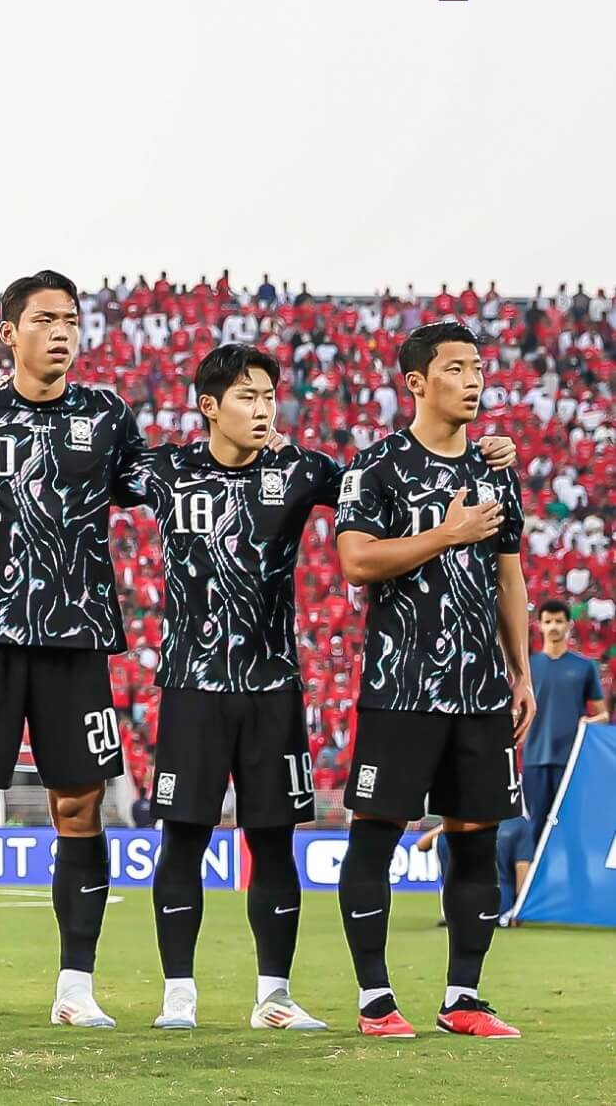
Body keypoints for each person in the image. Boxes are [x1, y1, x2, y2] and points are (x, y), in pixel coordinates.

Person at [122, 344, 515, 1033]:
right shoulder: (165, 468)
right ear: (208, 406)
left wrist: (475, 450)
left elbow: (383, 489)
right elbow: (81, 469)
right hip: (188, 682)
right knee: (183, 838)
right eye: (246, 395)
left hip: (274, 685)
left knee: (273, 840)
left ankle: (273, 996)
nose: (264, 407)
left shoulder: (302, 468)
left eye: (270, 395)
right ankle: (177, 996)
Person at [0, 269, 146, 1029]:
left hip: (76, 638)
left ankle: (75, 987)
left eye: (71, 320)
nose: (61, 331)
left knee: (79, 806)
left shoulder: (108, 414)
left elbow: (157, 481)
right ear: (7, 331)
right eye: (45, 318)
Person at [335, 321, 533, 1040]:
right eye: (456, 368)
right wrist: (442, 535)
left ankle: (464, 997)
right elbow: (355, 562)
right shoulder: (376, 466)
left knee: (475, 838)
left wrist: (521, 670)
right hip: (400, 687)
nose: (474, 380)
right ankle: (375, 1000)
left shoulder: (494, 468)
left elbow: (508, 573)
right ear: (417, 382)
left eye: (478, 367)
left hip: (479, 687)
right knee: (375, 838)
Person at [525, 600, 607, 841]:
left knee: (572, 826)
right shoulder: (529, 667)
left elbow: (603, 714)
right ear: (539, 625)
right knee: (537, 827)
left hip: (570, 761)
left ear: (569, 625)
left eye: (559, 621)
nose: (553, 627)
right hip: (535, 759)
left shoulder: (583, 667)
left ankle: (575, 876)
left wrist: (589, 722)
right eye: (548, 621)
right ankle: (537, 878)